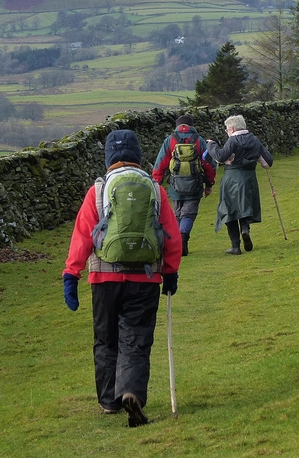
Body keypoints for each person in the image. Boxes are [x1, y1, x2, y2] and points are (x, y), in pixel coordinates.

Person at [62, 129, 182, 427]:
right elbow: (172, 236)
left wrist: (71, 274)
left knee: (106, 339)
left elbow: (82, 236)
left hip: (104, 279)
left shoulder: (99, 190)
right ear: (138, 156)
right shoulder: (155, 190)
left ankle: (109, 401)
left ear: (109, 157)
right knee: (136, 339)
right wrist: (171, 272)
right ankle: (131, 391)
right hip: (145, 279)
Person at [204, 114, 273, 255]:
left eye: (226, 130)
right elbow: (267, 162)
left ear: (232, 128)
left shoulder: (232, 141)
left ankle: (235, 246)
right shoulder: (254, 140)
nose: (227, 132)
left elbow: (221, 156)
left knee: (229, 210)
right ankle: (245, 229)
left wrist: (211, 144)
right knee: (244, 206)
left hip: (232, 178)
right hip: (249, 179)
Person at [151, 114, 217, 256]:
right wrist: (209, 183)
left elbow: (160, 162)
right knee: (189, 212)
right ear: (191, 126)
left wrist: (157, 182)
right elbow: (208, 164)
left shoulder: (170, 140)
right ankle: (183, 238)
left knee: (177, 213)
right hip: (195, 183)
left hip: (175, 184)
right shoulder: (199, 141)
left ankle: (177, 242)